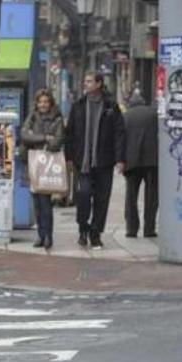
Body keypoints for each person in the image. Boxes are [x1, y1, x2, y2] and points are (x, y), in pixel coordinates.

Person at [64, 71, 126, 249]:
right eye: (85, 81)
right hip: (82, 162)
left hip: (104, 162)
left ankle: (95, 233)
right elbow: (70, 133)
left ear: (99, 84)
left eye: (89, 81)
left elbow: (119, 134)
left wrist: (120, 159)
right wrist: (69, 157)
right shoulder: (78, 105)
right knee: (83, 195)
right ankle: (83, 228)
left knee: (102, 199)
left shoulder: (111, 106)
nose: (85, 83)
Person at [21, 89, 66, 249]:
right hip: (33, 164)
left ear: (50, 103)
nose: (43, 105)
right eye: (40, 102)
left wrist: (35, 139)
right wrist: (45, 138)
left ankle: (48, 236)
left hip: (48, 165)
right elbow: (24, 136)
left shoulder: (57, 119)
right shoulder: (32, 117)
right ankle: (40, 235)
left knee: (45, 203)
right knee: (37, 204)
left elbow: (57, 142)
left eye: (46, 102)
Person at [123, 91, 158, 237]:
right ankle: (149, 229)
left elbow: (121, 139)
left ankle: (132, 229)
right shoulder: (153, 113)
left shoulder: (126, 116)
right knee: (152, 196)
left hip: (132, 161)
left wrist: (120, 160)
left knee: (131, 197)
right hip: (152, 160)